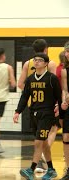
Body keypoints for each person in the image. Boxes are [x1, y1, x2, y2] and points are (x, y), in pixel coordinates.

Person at [14, 53, 62, 180]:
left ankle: (31, 169)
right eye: (35, 60)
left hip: (47, 114)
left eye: (40, 60)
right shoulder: (30, 79)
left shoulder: (51, 78)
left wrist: (59, 108)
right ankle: (51, 169)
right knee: (44, 143)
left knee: (38, 142)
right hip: (34, 113)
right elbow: (25, 96)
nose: (36, 62)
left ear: (46, 63)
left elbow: (59, 96)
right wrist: (18, 111)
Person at [59, 42, 69, 180]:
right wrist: (63, 101)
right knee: (66, 136)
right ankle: (68, 168)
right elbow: (64, 89)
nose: (67, 54)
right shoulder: (64, 70)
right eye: (66, 51)